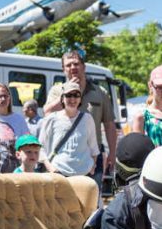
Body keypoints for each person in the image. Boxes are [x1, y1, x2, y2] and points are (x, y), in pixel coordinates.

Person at [43, 51, 117, 191]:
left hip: (92, 154)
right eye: (68, 65)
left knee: (91, 200)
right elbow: (47, 112)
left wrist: (112, 153)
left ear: (84, 66)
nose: (73, 67)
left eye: (76, 64)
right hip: (64, 156)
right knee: (62, 200)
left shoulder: (100, 92)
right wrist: (66, 93)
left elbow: (109, 124)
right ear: (63, 69)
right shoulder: (56, 90)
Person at [38, 82, 99, 177]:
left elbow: (93, 147)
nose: (72, 99)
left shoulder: (87, 118)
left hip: (83, 174)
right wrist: (51, 168)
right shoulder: (51, 118)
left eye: (76, 95)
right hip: (58, 173)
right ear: (62, 99)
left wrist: (92, 167)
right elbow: (41, 147)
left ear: (80, 99)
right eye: (68, 95)